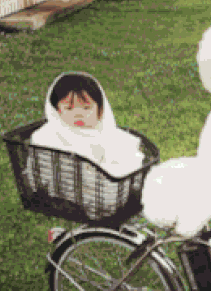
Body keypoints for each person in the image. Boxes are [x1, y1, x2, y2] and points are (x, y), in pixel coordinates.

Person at [24, 72, 144, 218]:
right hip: (77, 192)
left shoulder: (104, 132)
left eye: (86, 108)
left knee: (126, 149)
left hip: (110, 188)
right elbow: (42, 173)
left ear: (100, 110)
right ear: (56, 110)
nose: (78, 114)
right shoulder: (49, 136)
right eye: (69, 108)